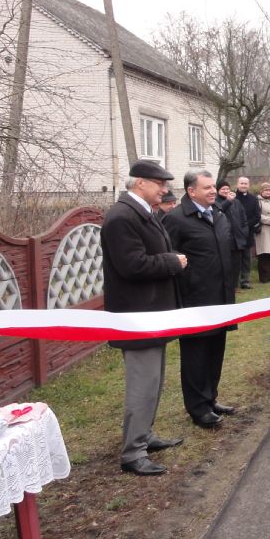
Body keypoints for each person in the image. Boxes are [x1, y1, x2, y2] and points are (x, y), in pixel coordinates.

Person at [101, 160, 187, 476]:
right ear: (140, 183)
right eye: (160, 183)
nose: (165, 189)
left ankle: (144, 435)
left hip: (152, 315)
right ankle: (133, 453)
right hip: (137, 318)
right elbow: (132, 265)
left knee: (154, 382)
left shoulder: (143, 213)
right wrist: (172, 262)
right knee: (142, 385)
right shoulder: (121, 218)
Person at [164, 169, 238, 429]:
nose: (213, 191)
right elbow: (169, 257)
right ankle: (198, 408)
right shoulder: (176, 219)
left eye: (213, 187)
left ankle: (210, 398)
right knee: (196, 356)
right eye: (206, 187)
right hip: (194, 301)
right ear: (191, 191)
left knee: (216, 352)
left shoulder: (218, 214)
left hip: (221, 298)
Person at [215, 180, 249, 287]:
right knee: (226, 265)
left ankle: (234, 286)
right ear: (218, 190)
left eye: (227, 189)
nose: (226, 191)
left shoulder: (237, 202)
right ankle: (226, 286)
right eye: (223, 189)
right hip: (225, 239)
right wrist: (228, 201)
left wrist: (244, 232)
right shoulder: (215, 202)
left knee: (236, 265)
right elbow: (218, 211)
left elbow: (244, 218)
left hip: (238, 239)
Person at [235, 176, 260, 289]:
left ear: (248, 185)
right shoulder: (232, 197)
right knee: (235, 258)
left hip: (248, 233)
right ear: (237, 184)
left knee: (246, 258)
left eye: (245, 183)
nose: (243, 185)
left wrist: (246, 227)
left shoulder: (253, 199)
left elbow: (257, 216)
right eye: (242, 183)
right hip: (234, 233)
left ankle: (245, 280)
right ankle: (234, 281)